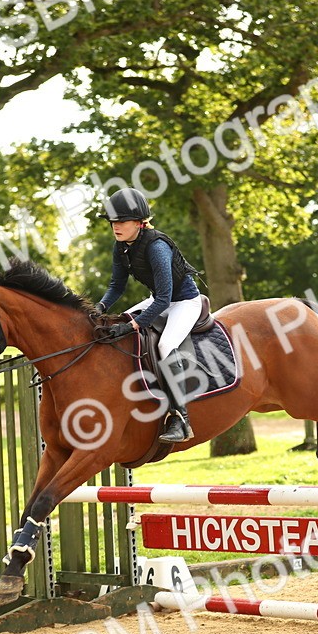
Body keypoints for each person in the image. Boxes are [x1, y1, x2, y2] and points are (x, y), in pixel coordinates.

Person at [95, 187, 203, 443]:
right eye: (113, 222)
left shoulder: (156, 247)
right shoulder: (120, 247)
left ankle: (181, 419)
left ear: (139, 222)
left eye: (121, 221)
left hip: (185, 302)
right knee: (118, 321)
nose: (115, 227)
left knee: (165, 344)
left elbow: (165, 298)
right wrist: (99, 308)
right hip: (160, 300)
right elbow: (116, 287)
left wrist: (134, 325)